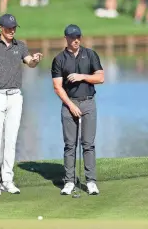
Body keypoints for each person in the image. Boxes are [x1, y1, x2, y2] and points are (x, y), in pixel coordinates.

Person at [0, 14, 44, 196]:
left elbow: (30, 63)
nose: (12, 31)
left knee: (11, 141)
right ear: (0, 28)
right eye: (8, 28)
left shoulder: (21, 46)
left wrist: (35, 59)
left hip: (15, 96)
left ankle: (8, 180)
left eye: (14, 28)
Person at [51, 24, 105, 196]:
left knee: (88, 144)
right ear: (66, 38)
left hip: (88, 103)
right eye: (73, 37)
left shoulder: (90, 55)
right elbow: (57, 87)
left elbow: (101, 78)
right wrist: (71, 105)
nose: (76, 40)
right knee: (70, 145)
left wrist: (82, 76)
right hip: (69, 104)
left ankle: (91, 182)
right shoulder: (59, 59)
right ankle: (69, 181)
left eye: (78, 37)